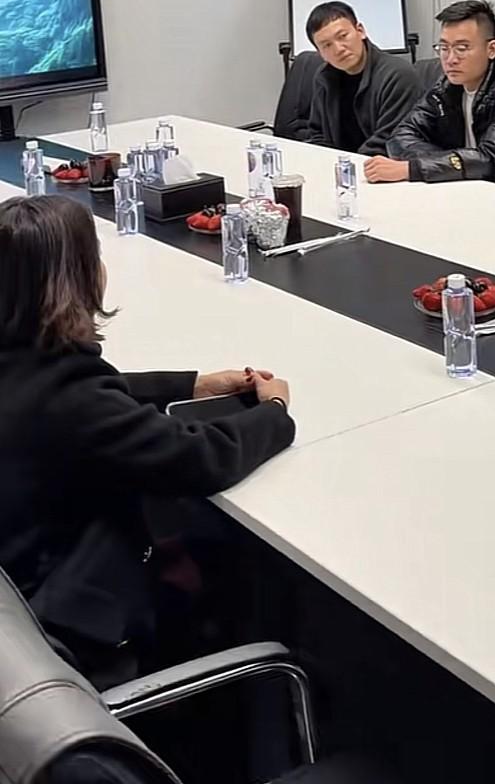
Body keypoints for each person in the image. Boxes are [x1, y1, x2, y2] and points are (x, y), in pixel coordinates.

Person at [0, 195, 294, 683]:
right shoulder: (73, 396)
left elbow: (80, 396)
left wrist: (193, 385)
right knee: (228, 547)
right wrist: (274, 412)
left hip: (16, 586)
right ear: (78, 278)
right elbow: (201, 458)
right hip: (60, 623)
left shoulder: (24, 362)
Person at [364, 0, 495, 183]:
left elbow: (492, 161)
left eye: (462, 48)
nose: (451, 59)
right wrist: (449, 164)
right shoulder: (447, 87)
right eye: (444, 48)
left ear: (491, 49)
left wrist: (413, 168)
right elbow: (400, 137)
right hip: (463, 189)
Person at [306, 0, 420, 155]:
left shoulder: (397, 75)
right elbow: (317, 133)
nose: (338, 49)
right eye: (327, 45)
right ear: (320, 54)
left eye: (343, 36)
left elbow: (390, 140)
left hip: (384, 164)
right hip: (342, 164)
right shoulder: (324, 78)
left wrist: (350, 164)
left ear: (360, 31)